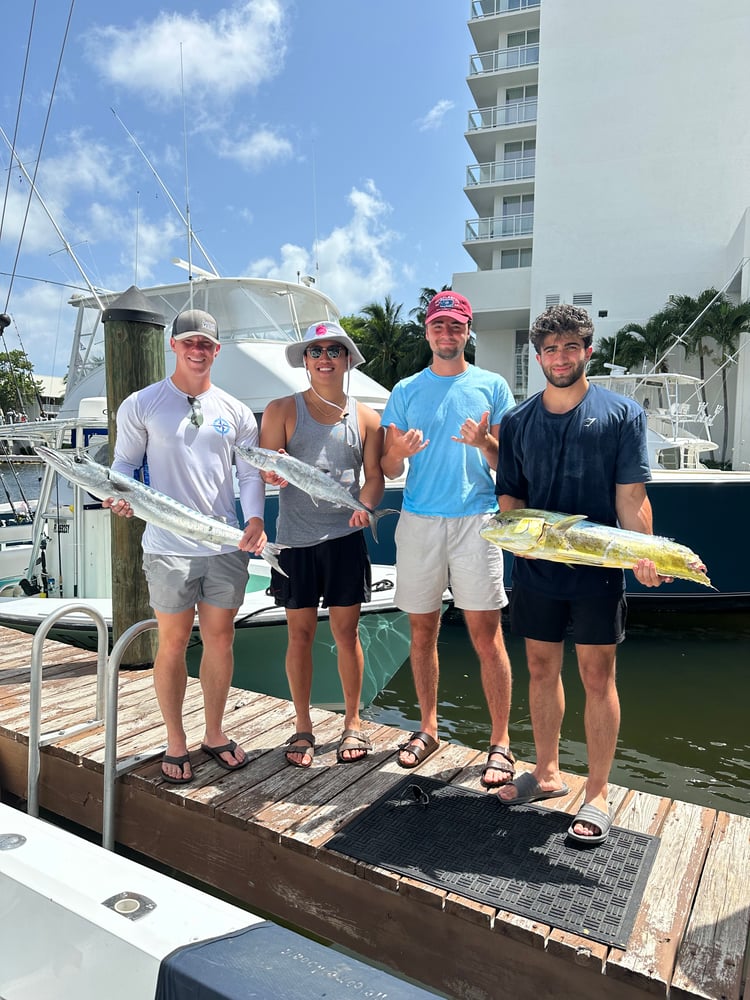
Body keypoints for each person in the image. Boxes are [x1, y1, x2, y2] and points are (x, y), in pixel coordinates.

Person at [495, 303, 693, 843]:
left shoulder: (622, 414)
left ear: (588, 350)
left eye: (569, 347)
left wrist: (647, 553)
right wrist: (516, 539)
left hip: (598, 569)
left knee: (597, 676)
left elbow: (631, 496)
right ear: (538, 358)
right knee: (539, 668)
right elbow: (510, 492)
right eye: (550, 350)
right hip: (536, 567)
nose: (560, 358)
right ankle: (546, 771)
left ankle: (599, 790)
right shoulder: (516, 420)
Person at [104, 308, 267, 785]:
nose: (198, 351)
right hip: (167, 547)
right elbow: (123, 467)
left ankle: (214, 733)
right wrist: (118, 498)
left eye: (207, 345)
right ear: (172, 346)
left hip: (223, 545)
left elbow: (249, 473)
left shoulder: (235, 411)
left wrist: (255, 518)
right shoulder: (142, 403)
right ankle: (176, 740)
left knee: (221, 639)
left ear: (217, 351)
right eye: (189, 342)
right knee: (172, 643)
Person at [380, 291, 516, 785]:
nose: (446, 334)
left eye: (455, 326)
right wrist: (398, 450)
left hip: (477, 522)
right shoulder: (406, 390)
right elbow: (389, 466)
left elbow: (507, 462)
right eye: (438, 326)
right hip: (419, 521)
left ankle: (499, 742)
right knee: (423, 631)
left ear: (466, 331)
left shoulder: (492, 385)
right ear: (427, 332)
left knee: (487, 635)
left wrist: (485, 443)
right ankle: (428, 728)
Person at [259, 321, 385, 767]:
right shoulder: (281, 409)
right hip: (295, 541)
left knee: (347, 633)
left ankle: (353, 721)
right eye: (316, 352)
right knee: (300, 634)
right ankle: (302, 725)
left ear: (347, 360)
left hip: (346, 537)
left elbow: (375, 477)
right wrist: (271, 473)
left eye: (334, 350)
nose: (325, 358)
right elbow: (266, 467)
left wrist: (365, 507)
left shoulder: (367, 416)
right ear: (306, 361)